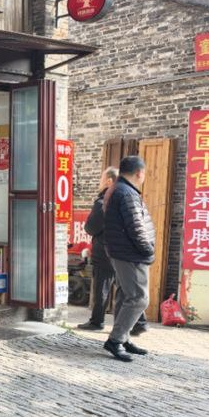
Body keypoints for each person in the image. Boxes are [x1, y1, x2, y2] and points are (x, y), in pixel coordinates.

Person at [78, 166, 148, 335]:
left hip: (106, 253)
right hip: (126, 254)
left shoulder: (105, 202)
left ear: (109, 181)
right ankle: (140, 323)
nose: (99, 182)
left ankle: (97, 321)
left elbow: (90, 227)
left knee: (102, 289)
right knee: (129, 290)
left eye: (101, 179)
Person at [102, 155, 154, 362]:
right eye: (144, 173)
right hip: (130, 253)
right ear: (139, 173)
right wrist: (147, 250)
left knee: (125, 296)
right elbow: (136, 227)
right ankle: (115, 340)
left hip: (122, 251)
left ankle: (122, 338)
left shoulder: (118, 188)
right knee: (139, 298)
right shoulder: (126, 192)